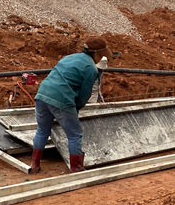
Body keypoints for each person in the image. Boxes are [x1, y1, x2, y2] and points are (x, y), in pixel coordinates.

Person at [30, 36, 114, 174]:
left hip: (42, 94)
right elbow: (84, 95)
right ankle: (76, 167)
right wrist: (75, 110)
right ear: (97, 54)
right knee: (75, 134)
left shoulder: (69, 57)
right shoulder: (90, 68)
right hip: (61, 98)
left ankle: (34, 165)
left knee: (42, 131)